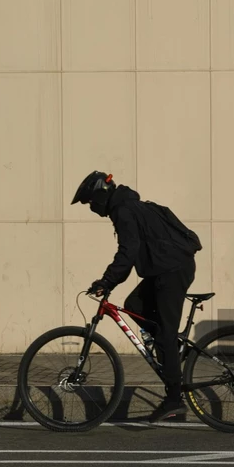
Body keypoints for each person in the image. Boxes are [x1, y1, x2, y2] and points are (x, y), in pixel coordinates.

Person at [71, 171, 198, 420]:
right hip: (166, 268)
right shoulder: (130, 206)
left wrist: (107, 281)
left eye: (90, 203)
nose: (91, 208)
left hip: (171, 271)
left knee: (165, 335)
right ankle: (166, 345)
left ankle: (174, 398)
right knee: (133, 304)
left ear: (100, 196)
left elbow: (128, 253)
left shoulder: (124, 211)